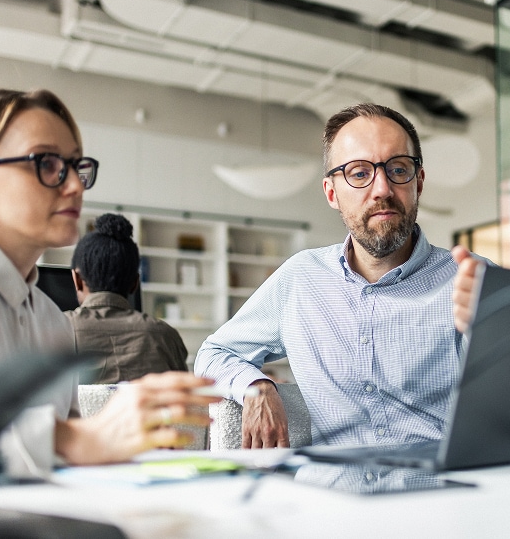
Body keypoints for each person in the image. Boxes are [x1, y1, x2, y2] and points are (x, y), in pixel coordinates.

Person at [0, 88, 219, 477]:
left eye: (75, 165)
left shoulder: (50, 318)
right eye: (46, 163)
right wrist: (74, 439)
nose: (76, 186)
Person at [195, 102, 474, 449]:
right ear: (331, 193)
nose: (382, 189)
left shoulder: (469, 280)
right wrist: (256, 386)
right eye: (359, 173)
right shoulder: (300, 278)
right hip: (332, 497)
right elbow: (214, 354)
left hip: (441, 495)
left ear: (418, 181)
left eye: (398, 169)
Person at [66, 212, 188, 382]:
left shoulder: (53, 329)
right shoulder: (165, 336)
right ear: (135, 283)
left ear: (77, 280)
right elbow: (184, 398)